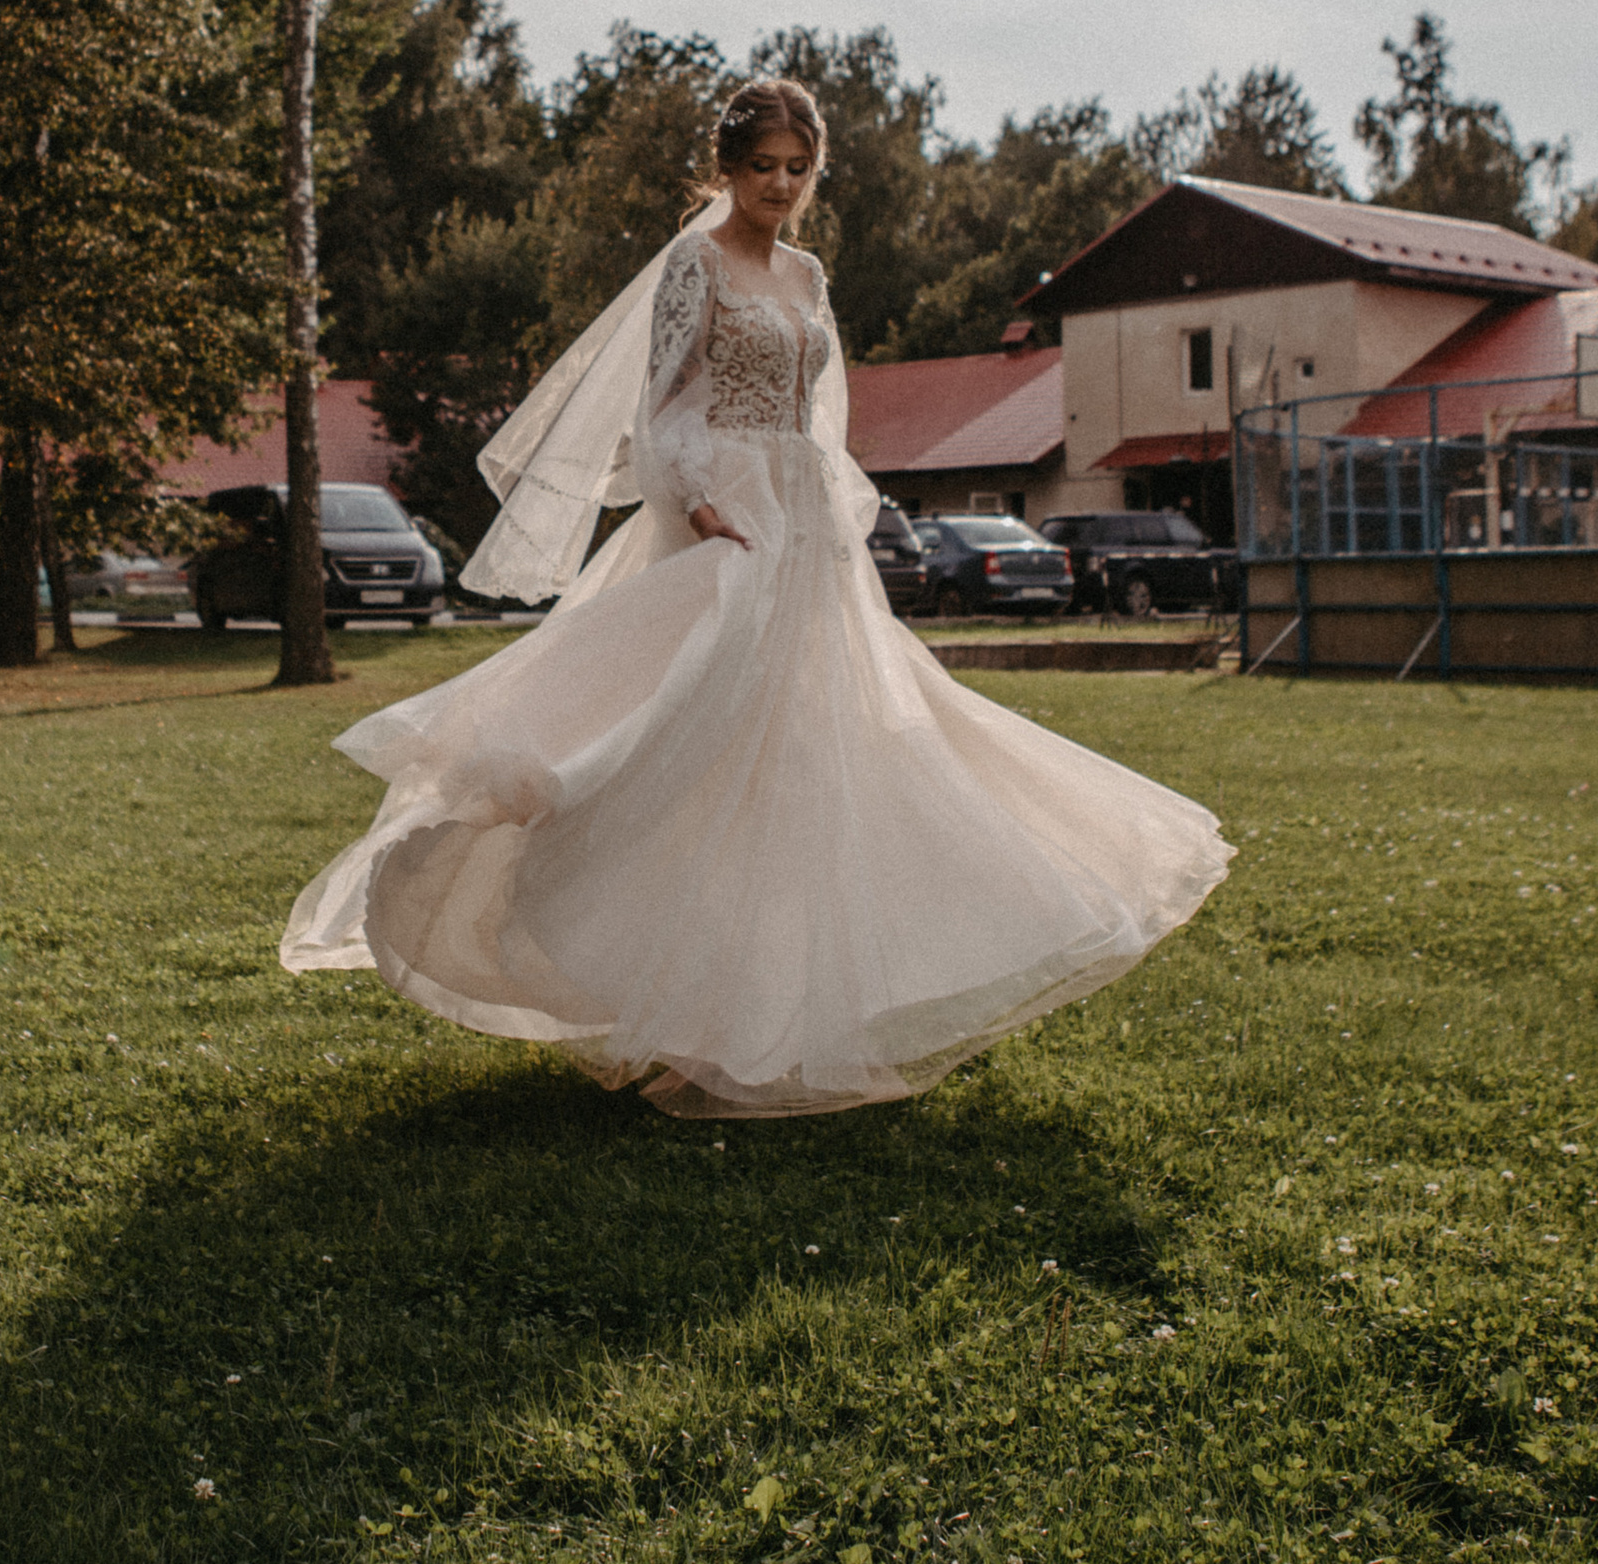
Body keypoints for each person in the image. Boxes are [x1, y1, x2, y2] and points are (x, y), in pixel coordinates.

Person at [282, 75, 1228, 1119]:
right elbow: (662, 411)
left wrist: (827, 513)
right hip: (726, 520)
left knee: (816, 759)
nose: (779, 186)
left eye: (797, 169)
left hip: (806, 530)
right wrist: (696, 509)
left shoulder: (809, 273)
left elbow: (817, 412)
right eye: (761, 167)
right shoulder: (695, 264)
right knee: (690, 751)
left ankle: (775, 1019)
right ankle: (684, 1013)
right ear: (726, 168)